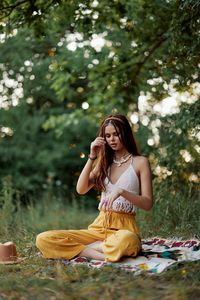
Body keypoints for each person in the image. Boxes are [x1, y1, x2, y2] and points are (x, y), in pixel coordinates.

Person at [36, 114, 153, 262]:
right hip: (97, 228)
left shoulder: (140, 162)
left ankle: (87, 250)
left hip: (124, 229)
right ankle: (97, 252)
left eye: (116, 134)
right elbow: (81, 189)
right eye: (108, 135)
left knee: (128, 241)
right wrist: (92, 156)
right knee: (43, 238)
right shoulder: (104, 163)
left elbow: (148, 203)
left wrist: (121, 191)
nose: (112, 139)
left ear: (126, 133)